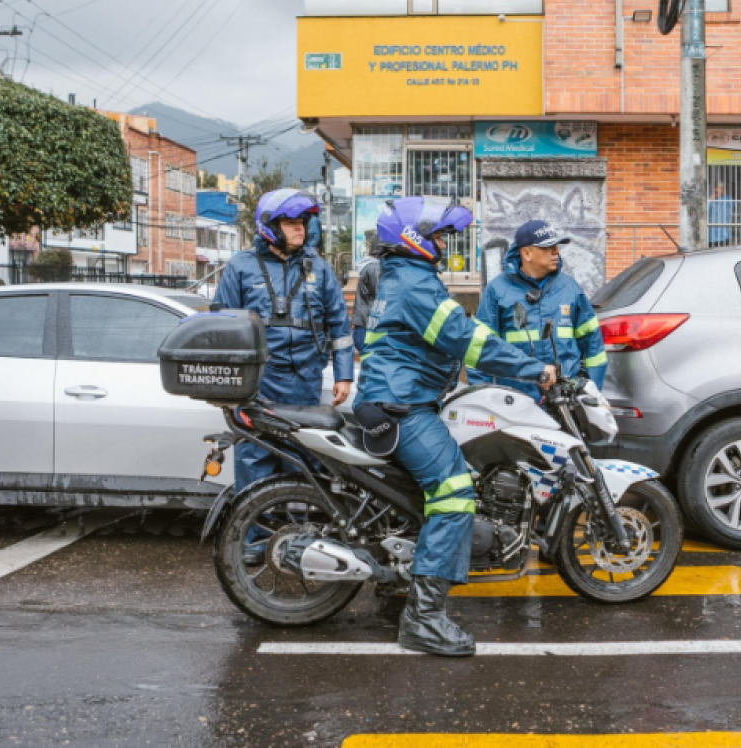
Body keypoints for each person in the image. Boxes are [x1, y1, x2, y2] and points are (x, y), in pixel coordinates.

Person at [355, 196, 556, 657]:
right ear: (413, 238)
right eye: (438, 235)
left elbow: (459, 335)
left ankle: (402, 579)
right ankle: (423, 619)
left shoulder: (406, 277)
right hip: (401, 406)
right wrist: (533, 368)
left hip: (400, 398)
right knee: (454, 492)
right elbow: (466, 339)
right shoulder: (414, 284)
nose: (444, 242)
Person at [214, 189, 354, 563]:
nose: (301, 230)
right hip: (259, 384)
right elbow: (223, 326)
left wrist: (343, 376)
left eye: (303, 224)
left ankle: (303, 541)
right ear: (270, 227)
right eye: (292, 224)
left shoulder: (318, 268)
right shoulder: (240, 267)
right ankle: (253, 543)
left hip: (305, 382)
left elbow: (340, 324)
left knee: (303, 466)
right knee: (255, 462)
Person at [471, 220, 607, 402]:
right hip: (515, 401)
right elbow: (480, 348)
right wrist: (483, 398)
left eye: (556, 247)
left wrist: (592, 392)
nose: (556, 252)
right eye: (547, 248)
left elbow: (593, 346)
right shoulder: (497, 291)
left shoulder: (570, 289)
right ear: (526, 253)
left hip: (565, 401)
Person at [350, 230, 381, 353]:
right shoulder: (374, 268)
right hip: (368, 326)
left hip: (363, 325)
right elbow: (381, 296)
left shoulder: (369, 266)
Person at [706, 182, 735, 247]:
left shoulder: (727, 198)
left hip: (725, 234)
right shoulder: (709, 197)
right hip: (712, 236)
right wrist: (710, 200)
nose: (718, 190)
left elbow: (732, 207)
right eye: (716, 187)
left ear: (723, 190)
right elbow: (704, 212)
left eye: (720, 188)